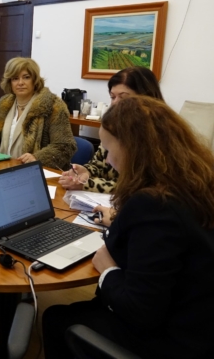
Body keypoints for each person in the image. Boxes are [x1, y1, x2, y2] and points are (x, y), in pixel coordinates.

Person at [42, 96, 214, 359]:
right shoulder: (194, 182)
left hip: (173, 339)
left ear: (133, 150)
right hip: (200, 320)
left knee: (56, 319)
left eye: (109, 150)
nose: (108, 161)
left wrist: (108, 270)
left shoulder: (153, 204)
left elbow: (141, 311)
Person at [59, 66, 165, 225]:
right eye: (112, 97)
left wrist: (87, 184)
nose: (115, 104)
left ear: (146, 98)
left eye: (123, 97)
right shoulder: (114, 127)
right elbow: (99, 164)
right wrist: (85, 172)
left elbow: (138, 188)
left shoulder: (156, 137)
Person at [0, 57, 76, 168]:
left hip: (35, 170)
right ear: (9, 82)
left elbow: (65, 146)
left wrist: (37, 157)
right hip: (2, 167)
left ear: (35, 80)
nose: (20, 83)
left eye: (26, 77)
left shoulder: (53, 106)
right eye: (15, 78)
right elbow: (5, 140)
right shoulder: (4, 104)